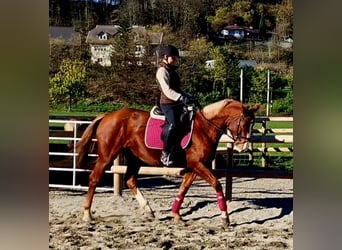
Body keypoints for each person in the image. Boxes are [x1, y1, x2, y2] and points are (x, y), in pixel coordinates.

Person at [156, 44, 193, 166]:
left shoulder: (172, 71)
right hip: (167, 104)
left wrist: (187, 96)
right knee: (173, 124)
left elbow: (177, 89)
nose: (175, 59)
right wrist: (180, 97)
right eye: (173, 57)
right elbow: (167, 90)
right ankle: (165, 153)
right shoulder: (162, 71)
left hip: (177, 103)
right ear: (165, 57)